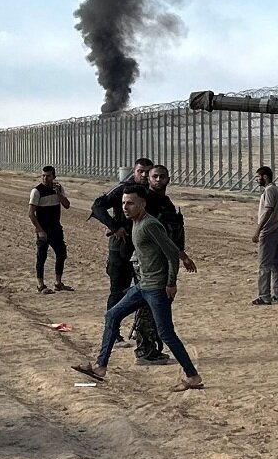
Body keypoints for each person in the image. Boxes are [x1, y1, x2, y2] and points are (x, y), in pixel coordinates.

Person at [72, 185, 204, 391]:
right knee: (112, 315)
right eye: (123, 203)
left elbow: (170, 252)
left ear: (142, 204)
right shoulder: (136, 223)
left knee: (166, 333)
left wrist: (171, 282)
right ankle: (100, 367)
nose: (125, 207)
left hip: (157, 289)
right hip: (143, 286)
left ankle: (192, 376)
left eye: (130, 203)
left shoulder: (150, 225)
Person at [89, 158, 156, 348]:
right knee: (118, 292)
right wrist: (114, 226)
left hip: (142, 251)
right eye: (140, 171)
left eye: (147, 172)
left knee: (146, 292)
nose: (143, 175)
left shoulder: (150, 193)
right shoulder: (123, 189)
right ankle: (113, 334)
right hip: (121, 249)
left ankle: (142, 332)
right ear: (134, 172)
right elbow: (97, 206)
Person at [138, 164, 196, 364]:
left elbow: (172, 235)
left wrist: (182, 256)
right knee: (150, 306)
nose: (159, 180)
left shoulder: (166, 203)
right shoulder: (147, 203)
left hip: (165, 261)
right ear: (149, 179)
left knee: (159, 305)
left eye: (162, 176)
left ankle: (152, 348)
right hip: (151, 262)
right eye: (155, 176)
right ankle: (146, 350)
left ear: (168, 179)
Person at [30, 166, 73, 294]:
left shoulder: (58, 189)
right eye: (43, 175)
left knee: (61, 253)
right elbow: (31, 213)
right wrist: (40, 230)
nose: (45, 178)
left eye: (48, 176)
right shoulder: (36, 191)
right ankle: (40, 285)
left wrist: (58, 194)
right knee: (41, 256)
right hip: (43, 228)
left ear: (54, 177)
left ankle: (58, 283)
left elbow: (67, 205)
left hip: (55, 227)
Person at [252, 166, 278, 305]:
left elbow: (268, 211)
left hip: (269, 231)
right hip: (277, 229)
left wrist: (258, 230)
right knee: (275, 264)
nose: (257, 180)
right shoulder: (277, 190)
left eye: (258, 177)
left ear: (265, 177)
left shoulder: (270, 190)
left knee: (264, 265)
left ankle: (264, 296)